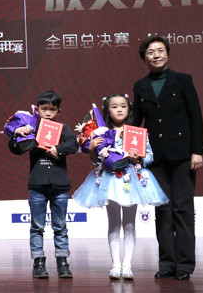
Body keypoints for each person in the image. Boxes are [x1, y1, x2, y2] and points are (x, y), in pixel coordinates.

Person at [132, 35, 203, 281]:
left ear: (168, 54)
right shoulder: (140, 86)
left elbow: (196, 117)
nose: (156, 55)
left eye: (160, 51)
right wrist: (121, 140)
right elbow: (136, 123)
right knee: (163, 210)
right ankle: (166, 263)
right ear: (144, 58)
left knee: (183, 209)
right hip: (156, 157)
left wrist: (197, 151)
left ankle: (184, 265)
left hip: (184, 155)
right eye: (151, 52)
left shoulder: (183, 80)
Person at [73, 94, 168, 280]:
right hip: (109, 180)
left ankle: (128, 266)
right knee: (114, 223)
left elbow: (148, 157)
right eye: (114, 106)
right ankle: (115, 265)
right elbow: (96, 162)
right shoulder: (101, 132)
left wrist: (137, 158)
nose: (119, 110)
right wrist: (92, 148)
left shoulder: (137, 133)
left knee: (130, 224)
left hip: (131, 180)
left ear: (129, 109)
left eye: (123, 106)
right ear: (107, 110)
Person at [11, 90, 79, 279]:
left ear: (58, 111)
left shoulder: (62, 129)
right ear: (37, 110)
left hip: (59, 185)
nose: (48, 113)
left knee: (60, 226)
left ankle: (62, 262)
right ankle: (39, 263)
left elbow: (73, 145)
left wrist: (58, 148)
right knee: (37, 226)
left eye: (52, 109)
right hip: (37, 185)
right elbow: (15, 149)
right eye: (44, 109)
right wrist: (16, 133)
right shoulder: (30, 128)